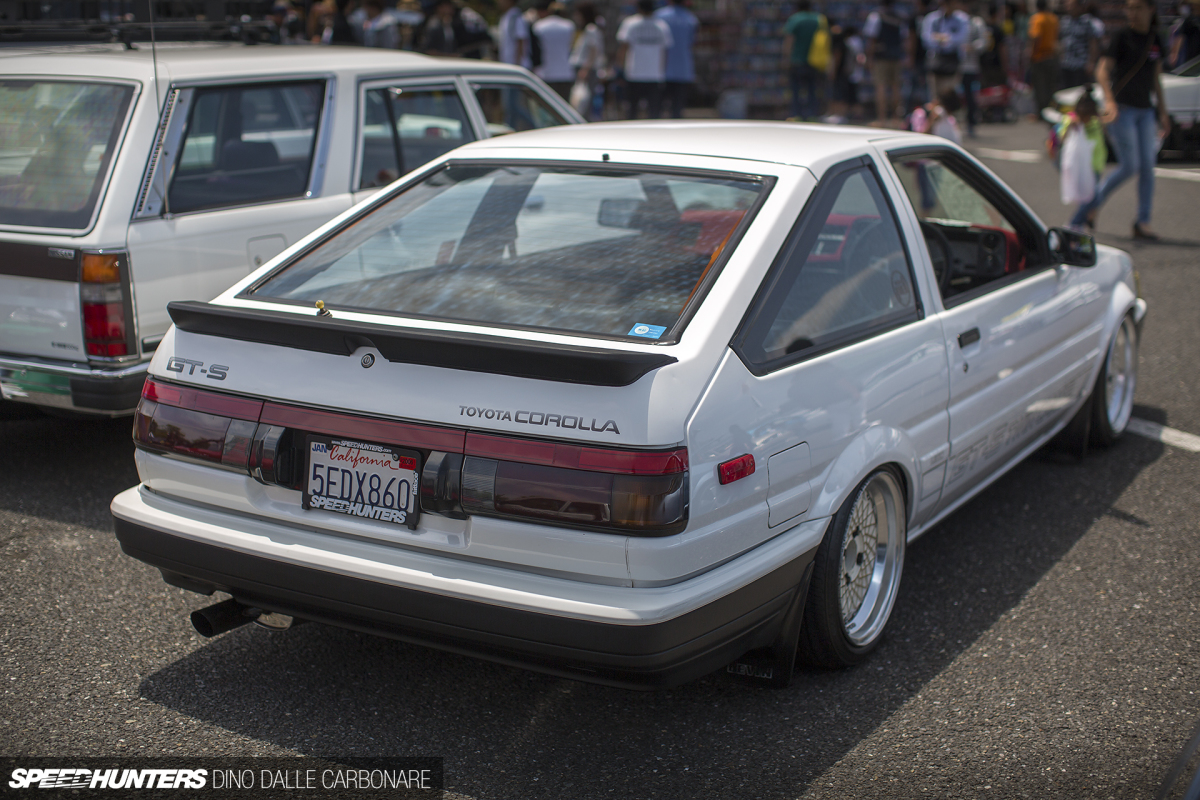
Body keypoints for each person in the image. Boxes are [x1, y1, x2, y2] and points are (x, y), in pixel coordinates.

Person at [1068, 0, 1171, 239]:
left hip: (1145, 111)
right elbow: (1102, 71)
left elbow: (1156, 79)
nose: (1132, 13)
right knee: (1129, 166)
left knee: (1148, 168)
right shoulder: (1122, 37)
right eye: (1129, 7)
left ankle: (1142, 222)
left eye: (1138, 7)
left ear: (1150, 9)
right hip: (1122, 110)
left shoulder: (1155, 39)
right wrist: (1110, 101)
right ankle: (1079, 216)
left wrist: (1163, 113)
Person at [616, 0, 672, 120]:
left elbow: (623, 49)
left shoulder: (630, 23)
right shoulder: (662, 25)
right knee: (654, 112)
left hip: (634, 73)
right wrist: (663, 71)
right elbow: (665, 52)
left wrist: (620, 69)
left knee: (632, 111)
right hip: (655, 74)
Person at [1058, 88, 1108, 225]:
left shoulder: (1096, 121)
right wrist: (1072, 125)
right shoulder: (1070, 120)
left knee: (1093, 195)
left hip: (1096, 164)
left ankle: (1083, 218)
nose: (1086, 120)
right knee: (1091, 196)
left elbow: (1105, 134)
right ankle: (1077, 221)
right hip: (1079, 166)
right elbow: (1062, 139)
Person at [782, 0, 828, 120]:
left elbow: (789, 40)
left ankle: (796, 114)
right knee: (812, 88)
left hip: (797, 60)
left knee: (796, 89)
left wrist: (786, 58)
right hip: (815, 60)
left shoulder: (795, 19)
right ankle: (812, 114)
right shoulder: (818, 19)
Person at [655, 0, 699, 119]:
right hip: (683, 69)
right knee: (677, 109)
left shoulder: (659, 16)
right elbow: (692, 42)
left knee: (656, 108)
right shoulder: (691, 19)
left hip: (661, 68)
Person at [864, 0, 907, 123]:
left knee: (881, 87)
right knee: (896, 88)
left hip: (880, 56)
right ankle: (895, 118)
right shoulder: (899, 17)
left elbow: (871, 39)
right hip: (896, 56)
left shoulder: (875, 16)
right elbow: (904, 38)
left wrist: (869, 57)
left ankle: (881, 118)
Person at [922, 0, 970, 99]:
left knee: (951, 95)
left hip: (953, 61)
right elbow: (927, 39)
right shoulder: (932, 19)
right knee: (935, 97)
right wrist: (945, 39)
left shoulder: (962, 19)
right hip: (936, 60)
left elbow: (962, 38)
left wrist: (942, 38)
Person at [570, 1, 607, 119]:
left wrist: (585, 69)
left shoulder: (591, 29)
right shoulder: (589, 29)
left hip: (586, 68)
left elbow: (593, 51)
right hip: (585, 68)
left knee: (584, 100)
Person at [532, 2, 576, 100]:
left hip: (545, 73)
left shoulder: (538, 26)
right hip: (565, 72)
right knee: (563, 108)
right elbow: (571, 47)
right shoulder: (569, 25)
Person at [961, 3, 990, 136]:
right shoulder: (954, 20)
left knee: (970, 96)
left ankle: (971, 122)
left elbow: (984, 42)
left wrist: (972, 47)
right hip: (951, 65)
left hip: (970, 66)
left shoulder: (976, 22)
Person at [1027, 0, 1060, 114]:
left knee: (1039, 87)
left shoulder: (1037, 19)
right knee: (1050, 85)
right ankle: (1051, 110)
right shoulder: (1053, 18)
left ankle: (1041, 112)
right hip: (1051, 56)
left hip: (1039, 57)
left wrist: (1031, 54)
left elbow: (1036, 37)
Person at [1059, 0, 1101, 88]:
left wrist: (1091, 63)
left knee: (1078, 93)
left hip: (1081, 65)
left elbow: (1093, 43)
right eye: (1068, 6)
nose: (1069, 8)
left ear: (1079, 7)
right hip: (1066, 64)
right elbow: (1062, 41)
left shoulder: (1087, 21)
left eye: (1071, 6)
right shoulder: (1065, 21)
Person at [497, 0, 531, 69]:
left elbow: (521, 40)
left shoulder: (516, 17)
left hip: (517, 66)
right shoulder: (506, 16)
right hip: (509, 65)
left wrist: (517, 64)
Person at [1169, 0, 1200, 67]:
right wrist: (1174, 54)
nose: (1193, 6)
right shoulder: (1189, 20)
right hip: (1192, 55)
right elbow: (1180, 37)